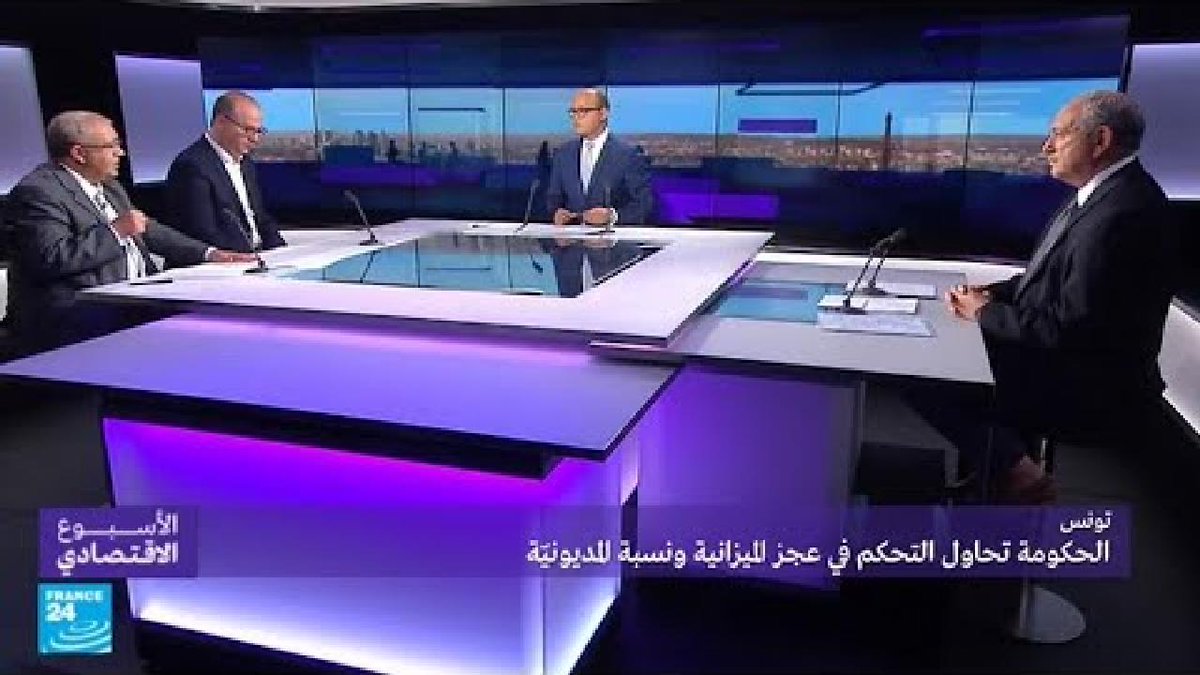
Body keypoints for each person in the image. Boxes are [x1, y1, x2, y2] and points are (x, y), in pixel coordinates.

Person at [944, 90, 1179, 500]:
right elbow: (1046, 278)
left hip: (1086, 388)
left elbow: (1070, 327)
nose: (1046, 146)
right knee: (957, 361)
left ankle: (1013, 470)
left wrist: (984, 313)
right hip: (1071, 364)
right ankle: (1000, 470)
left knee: (934, 380)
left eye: (1059, 134)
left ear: (1100, 140)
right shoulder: (1103, 196)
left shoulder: (1122, 214)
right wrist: (990, 294)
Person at [4, 111, 254, 354]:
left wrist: (210, 254)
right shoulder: (39, 192)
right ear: (79, 153)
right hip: (80, 311)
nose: (120, 153)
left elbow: (146, 229)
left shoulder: (109, 186)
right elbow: (52, 258)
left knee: (224, 318)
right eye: (111, 146)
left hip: (138, 297)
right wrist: (116, 231)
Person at [164, 91, 286, 254]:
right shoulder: (191, 166)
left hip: (254, 257)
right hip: (216, 263)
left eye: (258, 131)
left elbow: (260, 218)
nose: (254, 139)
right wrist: (251, 257)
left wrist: (282, 253)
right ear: (221, 122)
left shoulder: (246, 163)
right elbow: (204, 233)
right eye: (248, 129)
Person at [546, 88, 654, 227]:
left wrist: (612, 216)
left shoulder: (628, 155)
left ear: (603, 113)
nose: (576, 117)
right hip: (571, 238)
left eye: (583, 111)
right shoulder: (563, 154)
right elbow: (553, 198)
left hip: (613, 238)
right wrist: (556, 212)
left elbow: (644, 204)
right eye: (573, 111)